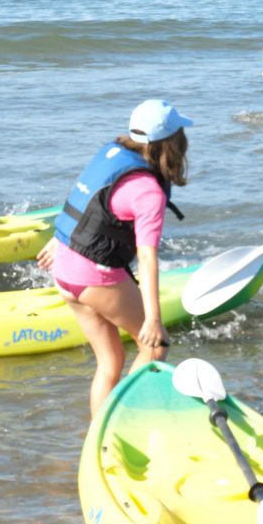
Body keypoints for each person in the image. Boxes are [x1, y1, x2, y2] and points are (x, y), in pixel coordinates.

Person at [36, 99, 191, 417]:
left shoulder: (110, 153)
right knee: (155, 347)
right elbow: (148, 258)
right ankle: (124, 420)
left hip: (64, 267)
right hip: (94, 275)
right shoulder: (148, 191)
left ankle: (100, 433)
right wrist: (154, 320)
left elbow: (83, 198)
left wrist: (58, 238)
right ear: (173, 143)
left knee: (111, 360)